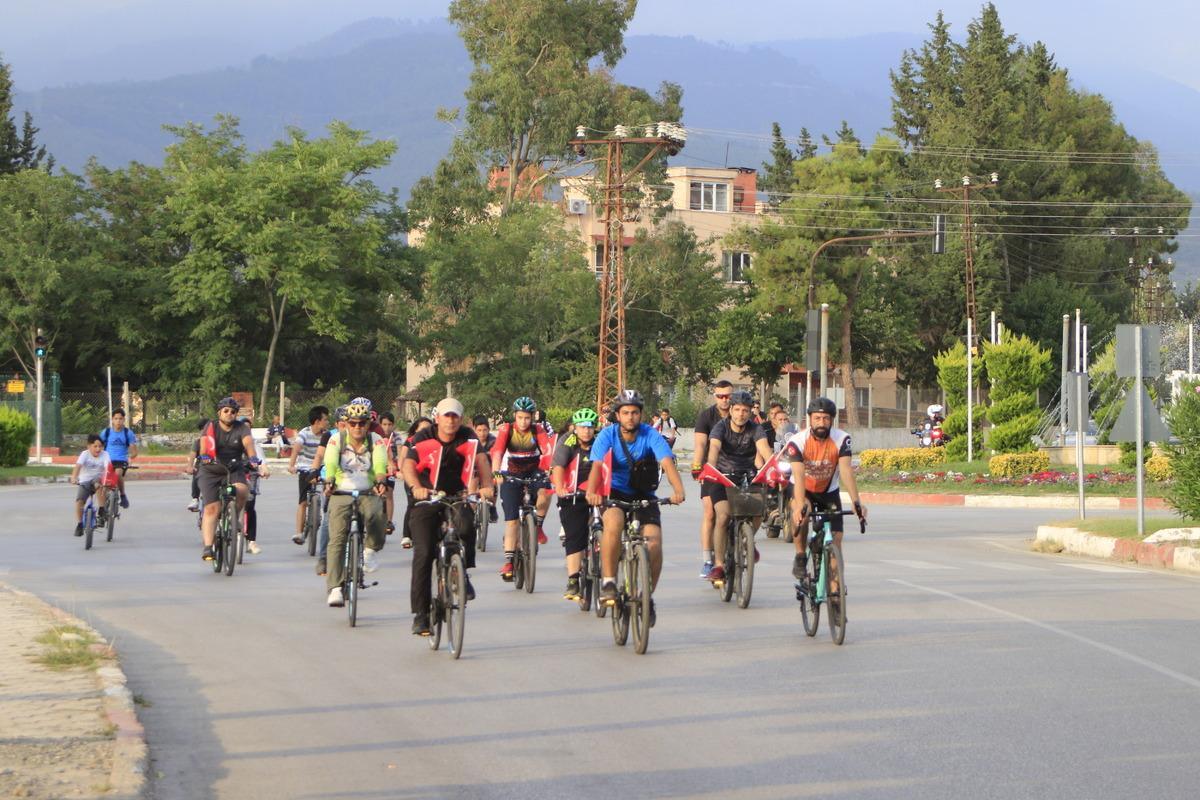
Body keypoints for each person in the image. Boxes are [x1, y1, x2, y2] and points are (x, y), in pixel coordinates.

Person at [586, 390, 684, 626]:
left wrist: (678, 490)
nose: (630, 417)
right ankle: (609, 582)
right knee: (614, 524)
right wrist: (592, 492)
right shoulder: (607, 435)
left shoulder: (651, 435)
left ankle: (646, 596)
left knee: (654, 543)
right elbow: (597, 466)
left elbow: (667, 462)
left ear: (641, 415)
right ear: (618, 415)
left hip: (644, 494)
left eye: (635, 413)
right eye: (626, 413)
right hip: (616, 493)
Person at [402, 398, 495, 635]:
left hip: (457, 494)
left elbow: (482, 460)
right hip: (427, 497)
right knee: (423, 553)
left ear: (461, 419)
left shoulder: (468, 436)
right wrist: (415, 488)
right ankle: (421, 615)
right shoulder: (424, 437)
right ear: (437, 418)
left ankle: (462, 571)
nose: (450, 420)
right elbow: (408, 464)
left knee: (465, 527)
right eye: (446, 416)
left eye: (455, 416)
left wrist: (486, 486)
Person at [784, 397, 868, 580]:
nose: (821, 423)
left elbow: (846, 471)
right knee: (803, 514)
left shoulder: (841, 439)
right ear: (809, 420)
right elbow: (798, 475)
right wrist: (799, 506)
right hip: (803, 488)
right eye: (817, 418)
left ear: (832, 420)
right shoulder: (797, 441)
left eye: (826, 419)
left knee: (836, 541)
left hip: (829, 491)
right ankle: (799, 555)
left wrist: (856, 502)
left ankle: (834, 590)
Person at [322, 400, 388, 607]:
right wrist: (330, 479)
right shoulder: (336, 440)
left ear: (368, 424)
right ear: (346, 424)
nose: (357, 427)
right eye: (353, 423)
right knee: (337, 539)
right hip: (342, 491)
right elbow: (330, 461)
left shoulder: (376, 440)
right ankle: (335, 588)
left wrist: (380, 479)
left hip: (368, 490)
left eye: (362, 423)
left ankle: (370, 549)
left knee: (377, 515)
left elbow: (379, 462)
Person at [704, 390, 773, 584]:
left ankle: (746, 540)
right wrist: (710, 466)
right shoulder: (720, 427)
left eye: (745, 410)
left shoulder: (755, 428)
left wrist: (773, 466)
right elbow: (714, 448)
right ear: (731, 410)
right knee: (723, 516)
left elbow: (764, 449)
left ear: (750, 412)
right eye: (737, 410)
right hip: (721, 477)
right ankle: (718, 565)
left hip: (748, 476)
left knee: (759, 511)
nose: (741, 414)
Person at [197, 397, 268, 562]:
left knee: (243, 490)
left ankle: (234, 515)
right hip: (211, 469)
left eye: (233, 411)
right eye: (226, 411)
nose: (230, 414)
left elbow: (249, 446)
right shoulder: (210, 426)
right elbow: (203, 448)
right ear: (219, 412)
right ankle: (208, 547)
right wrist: (206, 456)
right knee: (211, 508)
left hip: (234, 468)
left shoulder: (242, 427)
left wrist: (254, 461)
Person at [491, 396, 554, 581]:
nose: (524, 421)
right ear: (515, 416)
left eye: (527, 417)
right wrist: (496, 472)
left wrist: (550, 470)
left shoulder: (538, 429)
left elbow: (547, 451)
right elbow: (497, 452)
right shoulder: (506, 429)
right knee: (511, 521)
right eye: (520, 417)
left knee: (546, 491)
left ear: (532, 417)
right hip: (512, 473)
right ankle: (509, 560)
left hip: (534, 470)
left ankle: (539, 525)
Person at [550, 408, 599, 601]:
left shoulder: (600, 442)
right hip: (573, 493)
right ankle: (573, 580)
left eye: (590, 427)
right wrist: (561, 487)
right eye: (582, 427)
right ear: (575, 428)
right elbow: (558, 467)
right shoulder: (566, 441)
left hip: (597, 491)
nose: (586, 431)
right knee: (574, 536)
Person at [692, 380, 733, 578]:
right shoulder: (706, 416)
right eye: (720, 396)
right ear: (715, 396)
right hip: (713, 470)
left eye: (728, 396)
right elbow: (700, 444)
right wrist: (697, 466)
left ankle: (745, 543)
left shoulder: (742, 413)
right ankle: (708, 560)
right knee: (710, 513)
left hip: (737, 469)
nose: (724, 400)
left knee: (747, 509)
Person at [288, 406, 329, 546]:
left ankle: (326, 519)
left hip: (322, 468)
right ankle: (299, 533)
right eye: (325, 419)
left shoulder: (327, 435)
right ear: (317, 421)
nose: (327, 422)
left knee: (328, 493)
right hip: (306, 468)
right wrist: (292, 465)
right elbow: (296, 449)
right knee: (303, 502)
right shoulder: (304, 433)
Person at [397, 417, 434, 549]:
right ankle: (407, 535)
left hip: (430, 479)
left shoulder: (436, 442)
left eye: (429, 428)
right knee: (413, 503)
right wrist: (402, 472)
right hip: (412, 476)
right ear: (416, 430)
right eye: (422, 429)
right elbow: (403, 459)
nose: (426, 431)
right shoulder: (411, 441)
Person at [70, 434, 113, 536]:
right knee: (79, 501)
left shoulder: (105, 454)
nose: (98, 449)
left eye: (100, 446)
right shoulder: (84, 454)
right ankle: (80, 524)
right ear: (89, 446)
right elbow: (78, 467)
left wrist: (108, 479)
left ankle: (102, 510)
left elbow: (108, 468)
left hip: (98, 480)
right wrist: (74, 477)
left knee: (98, 484)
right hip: (85, 481)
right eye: (95, 446)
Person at [99, 408, 138, 509]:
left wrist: (130, 457)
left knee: (118, 473)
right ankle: (103, 508)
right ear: (112, 419)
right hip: (107, 460)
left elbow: (134, 451)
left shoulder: (128, 433)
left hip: (121, 460)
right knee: (105, 484)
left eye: (120, 419)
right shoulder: (106, 432)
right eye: (116, 419)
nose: (118, 421)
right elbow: (97, 446)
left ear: (124, 420)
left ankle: (123, 495)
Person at [378, 411, 402, 536]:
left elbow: (400, 452)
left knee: (389, 493)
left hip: (391, 468)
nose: (387, 427)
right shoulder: (376, 436)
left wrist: (398, 467)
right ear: (380, 424)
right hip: (377, 468)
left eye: (389, 424)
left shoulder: (396, 437)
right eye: (384, 424)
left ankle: (388, 521)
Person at [472, 415, 500, 523]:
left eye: (485, 430)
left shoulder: (494, 441)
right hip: (474, 470)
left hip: (491, 469)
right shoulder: (470, 441)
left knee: (496, 481)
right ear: (474, 429)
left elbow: (498, 457)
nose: (482, 433)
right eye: (479, 430)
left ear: (489, 430)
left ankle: (492, 507)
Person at [185, 417, 209, 512]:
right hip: (202, 466)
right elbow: (193, 455)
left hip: (217, 465)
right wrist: (190, 466)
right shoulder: (198, 442)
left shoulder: (218, 440)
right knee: (196, 472)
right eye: (203, 429)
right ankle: (195, 498)